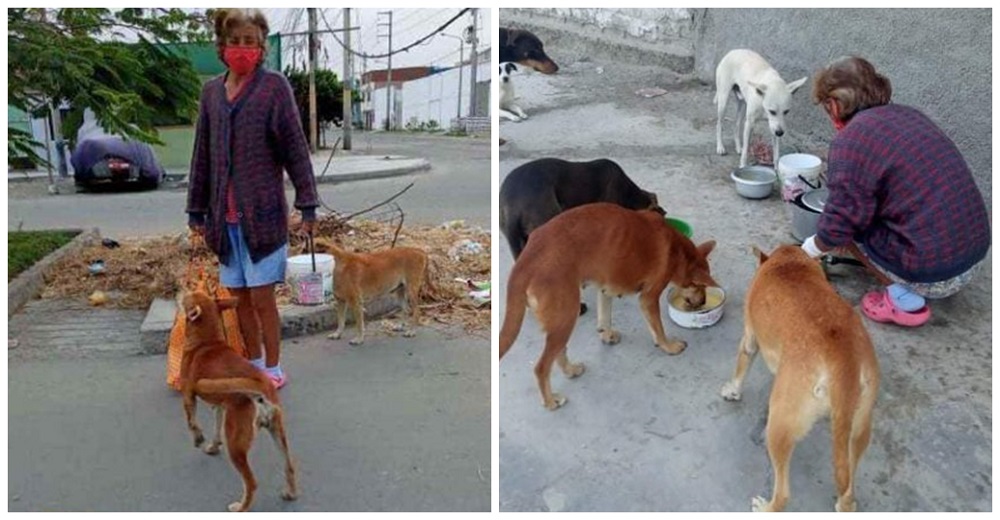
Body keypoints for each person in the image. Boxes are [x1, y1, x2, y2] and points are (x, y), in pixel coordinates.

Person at [801, 56, 990, 327]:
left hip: (937, 276)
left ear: (835, 104)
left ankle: (901, 299)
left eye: (826, 107)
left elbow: (840, 223)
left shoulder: (851, 141)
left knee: (846, 226)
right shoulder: (910, 114)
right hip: (976, 253)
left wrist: (808, 250)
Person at [186, 8, 318, 387]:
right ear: (221, 46)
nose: (242, 48)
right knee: (239, 298)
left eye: (250, 42)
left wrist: (307, 203)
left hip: (262, 217)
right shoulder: (211, 92)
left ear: (261, 48)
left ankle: (273, 368)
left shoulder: (273, 88)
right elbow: (202, 155)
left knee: (262, 299)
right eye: (235, 41)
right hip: (223, 221)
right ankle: (253, 361)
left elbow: (295, 148)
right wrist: (196, 210)